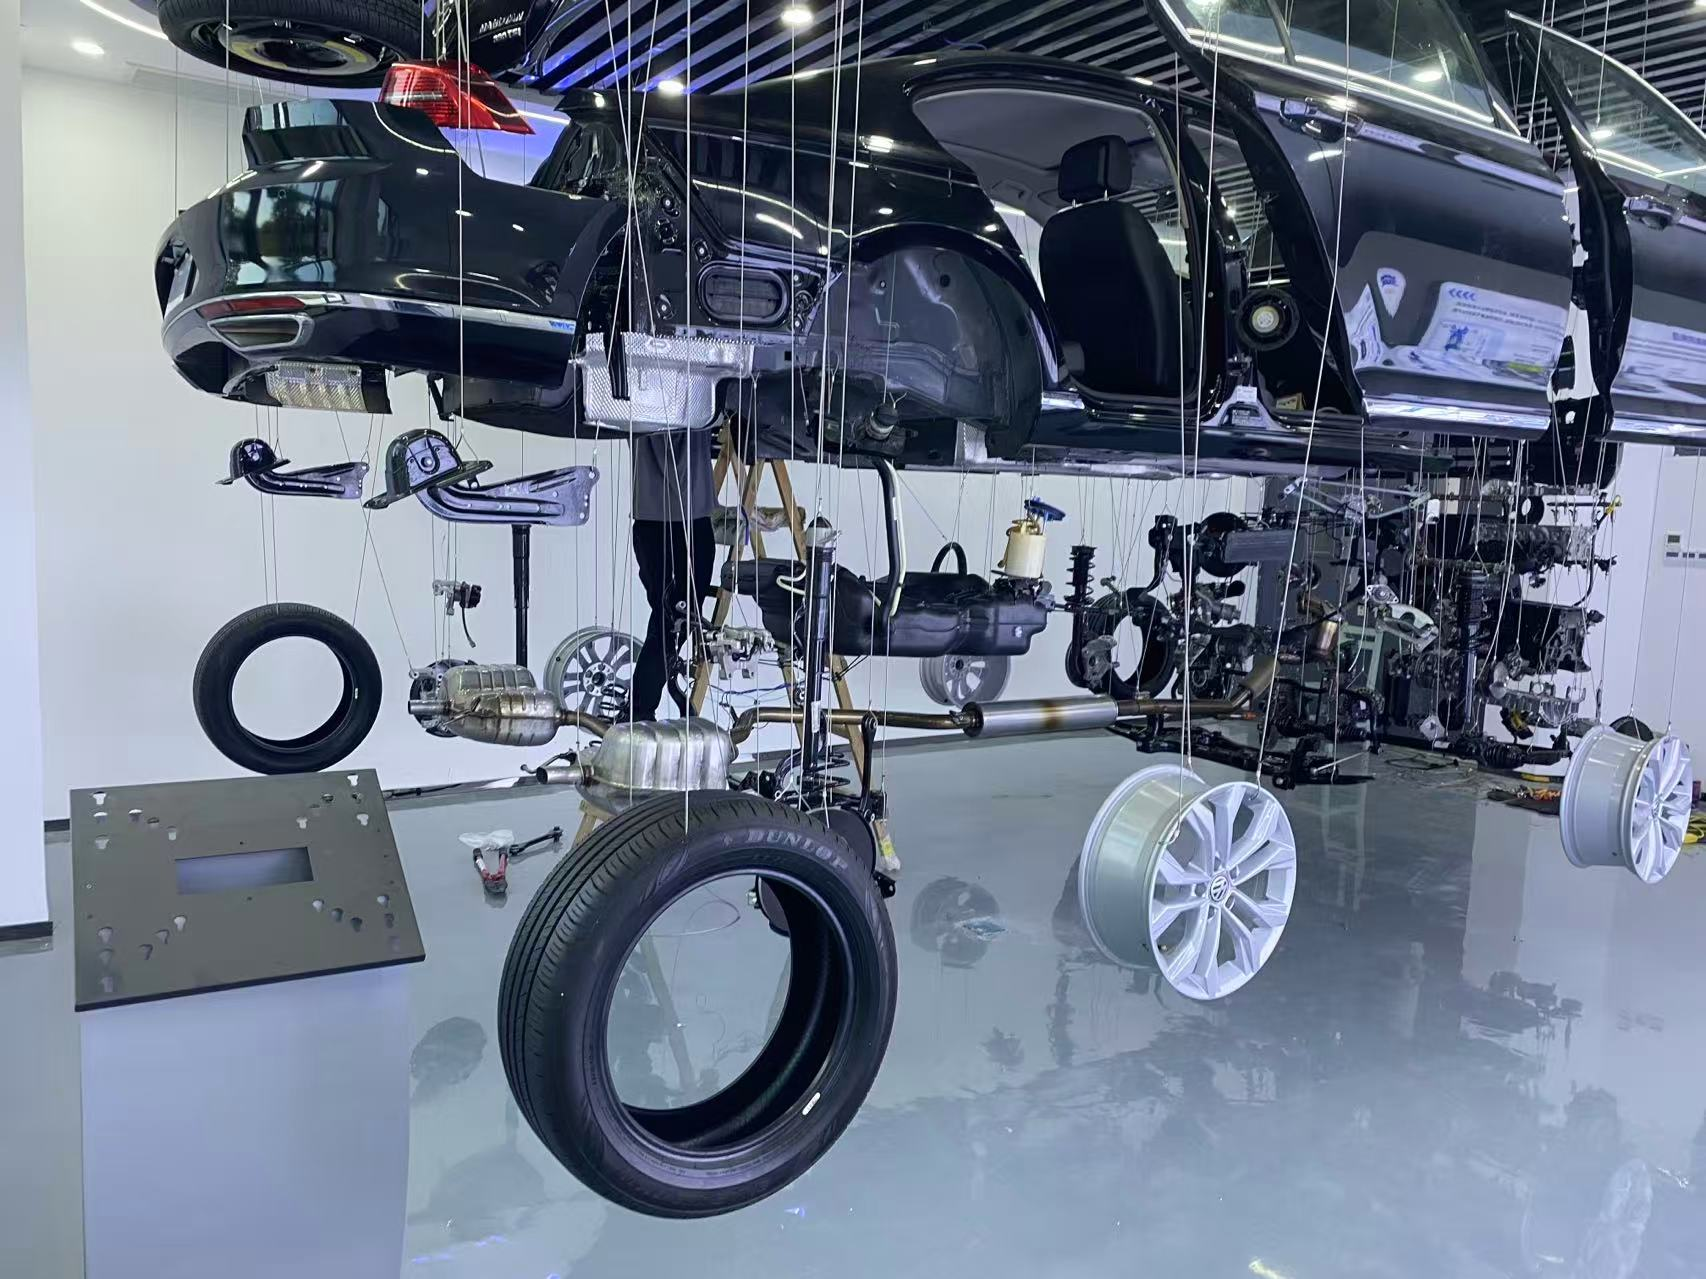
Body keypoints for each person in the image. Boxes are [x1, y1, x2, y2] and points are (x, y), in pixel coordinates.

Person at [628, 429, 716, 720]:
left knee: (670, 619)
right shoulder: (697, 402)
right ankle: (638, 712)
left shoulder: (636, 400)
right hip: (682, 521)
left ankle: (640, 711)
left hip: (652, 519)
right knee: (675, 619)